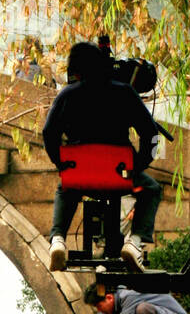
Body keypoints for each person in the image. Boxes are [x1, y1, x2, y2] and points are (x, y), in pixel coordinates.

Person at [42, 41, 162, 273]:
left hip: (80, 176)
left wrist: (61, 163)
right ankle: (134, 243)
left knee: (65, 187)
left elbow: (49, 133)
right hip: (121, 176)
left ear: (75, 70)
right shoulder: (125, 92)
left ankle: (57, 240)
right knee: (152, 189)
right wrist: (139, 165)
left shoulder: (67, 94)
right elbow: (151, 134)